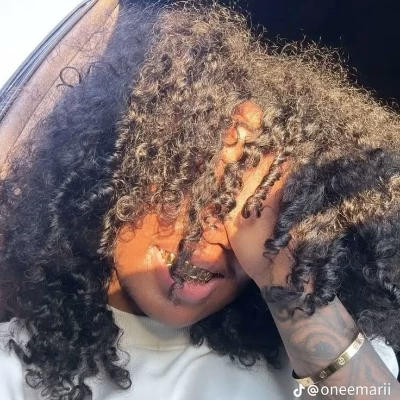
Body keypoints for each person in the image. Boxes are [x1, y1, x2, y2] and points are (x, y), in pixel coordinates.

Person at [0, 2, 399, 399]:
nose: (214, 229)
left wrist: (286, 280)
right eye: (190, 180)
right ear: (114, 172)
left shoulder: (337, 355)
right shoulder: (14, 368)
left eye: (254, 201)